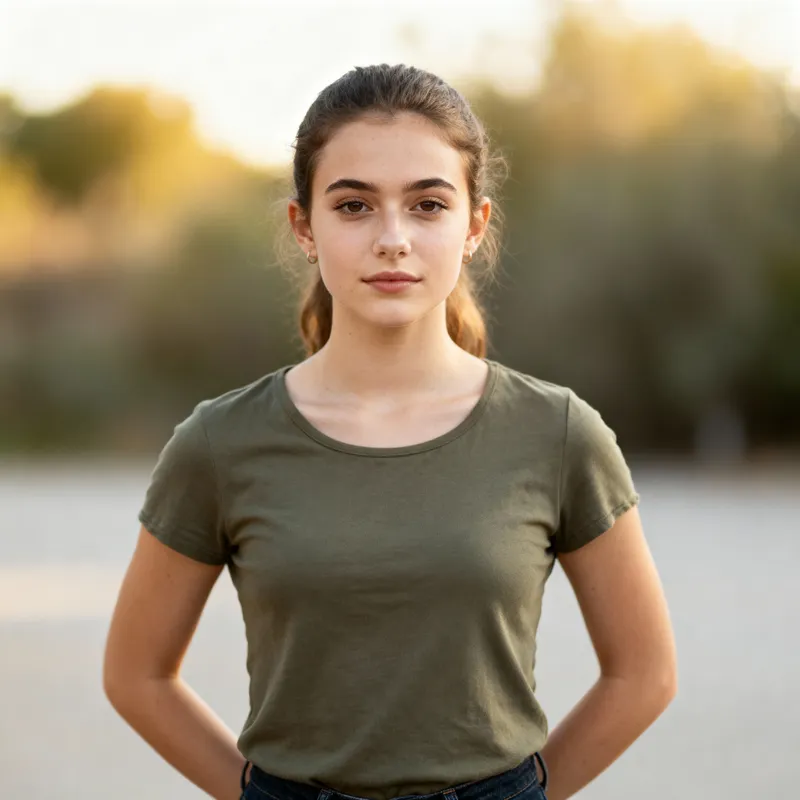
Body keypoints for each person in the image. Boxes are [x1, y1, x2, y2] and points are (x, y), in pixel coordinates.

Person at [103, 64, 677, 800]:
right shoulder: (218, 443)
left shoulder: (559, 433)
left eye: (428, 205)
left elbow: (644, 674)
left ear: (474, 226)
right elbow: (137, 675)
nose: (393, 239)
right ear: (304, 227)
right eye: (354, 206)